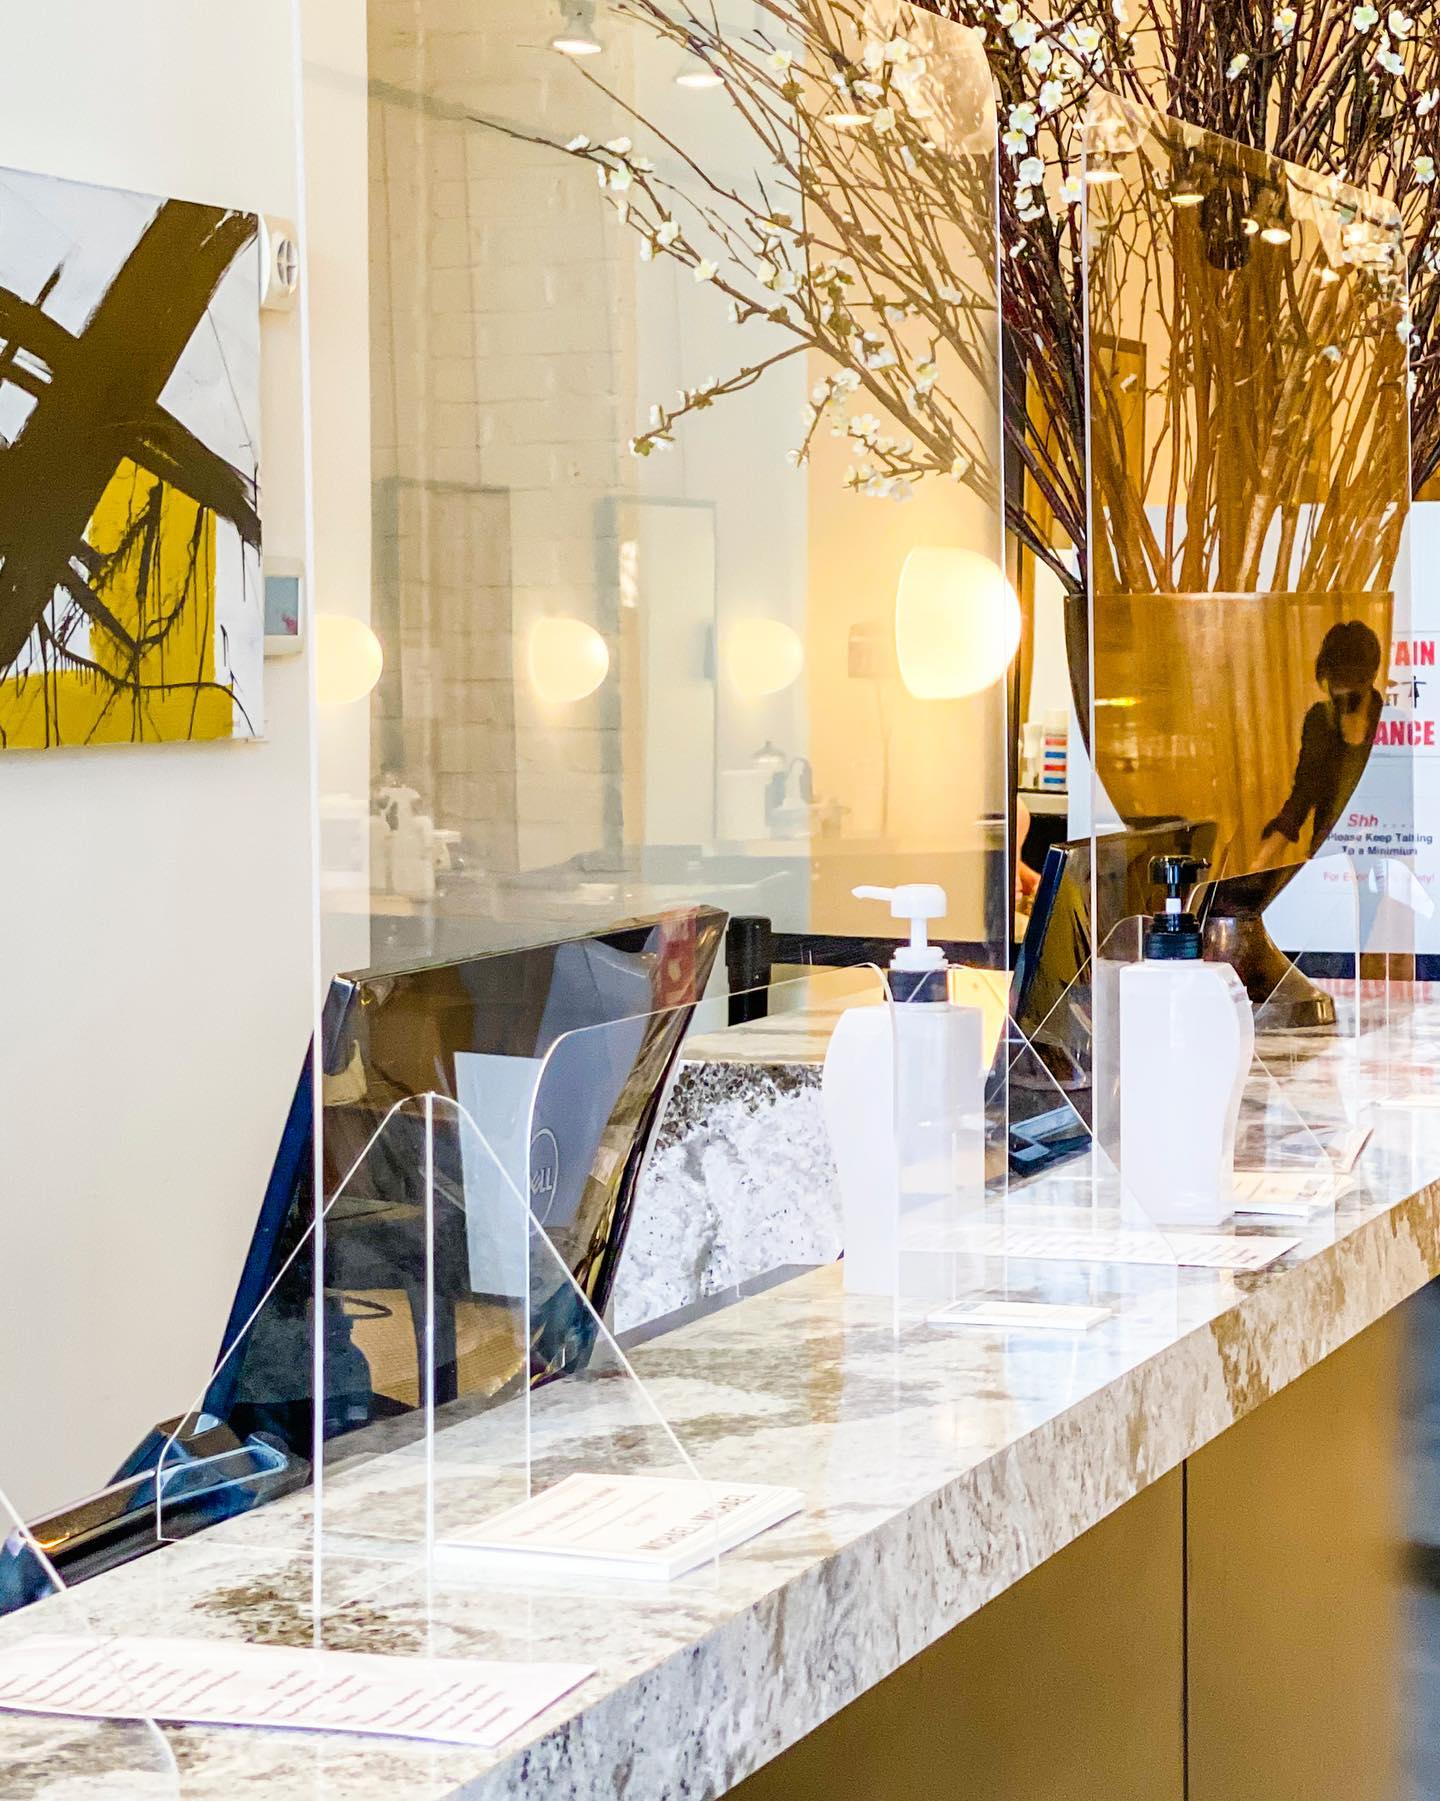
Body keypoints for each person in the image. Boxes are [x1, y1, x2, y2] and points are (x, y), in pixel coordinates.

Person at [1254, 620, 1383, 870]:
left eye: (1350, 684)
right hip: (1326, 863)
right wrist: (1261, 861)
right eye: (1335, 684)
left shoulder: (1393, 726)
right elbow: (1302, 797)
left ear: (1371, 676)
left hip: (1376, 865)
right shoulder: (1319, 721)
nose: (1342, 693)